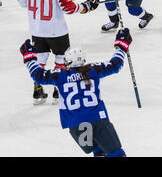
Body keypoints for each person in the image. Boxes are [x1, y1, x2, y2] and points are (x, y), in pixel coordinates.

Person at [19, 28, 132, 157]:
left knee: (99, 152)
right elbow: (115, 65)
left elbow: (38, 75)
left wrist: (29, 58)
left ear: (67, 62)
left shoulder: (60, 75)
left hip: (75, 124)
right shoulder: (93, 70)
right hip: (98, 120)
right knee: (116, 153)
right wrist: (121, 45)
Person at [17, 0, 99, 105]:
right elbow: (68, 8)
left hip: (37, 30)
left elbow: (22, 2)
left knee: (40, 60)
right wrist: (86, 7)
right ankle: (58, 91)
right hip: (57, 32)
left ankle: (38, 91)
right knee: (61, 59)